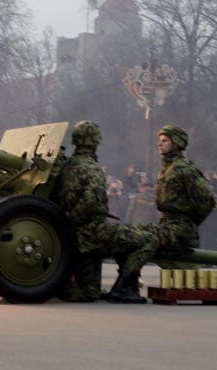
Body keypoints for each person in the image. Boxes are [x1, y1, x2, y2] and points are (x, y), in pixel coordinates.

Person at [56, 121, 158, 304]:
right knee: (148, 239)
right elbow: (92, 203)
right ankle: (122, 289)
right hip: (91, 233)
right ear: (95, 141)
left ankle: (61, 286)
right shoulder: (92, 168)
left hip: (71, 234)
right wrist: (83, 218)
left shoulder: (67, 165)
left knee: (89, 293)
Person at [153, 125, 215, 254]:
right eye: (160, 140)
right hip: (167, 225)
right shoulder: (167, 169)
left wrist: (190, 222)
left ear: (176, 143)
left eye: (165, 140)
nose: (160, 144)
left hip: (180, 230)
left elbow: (207, 201)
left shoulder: (184, 169)